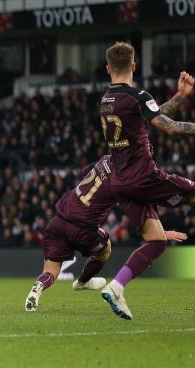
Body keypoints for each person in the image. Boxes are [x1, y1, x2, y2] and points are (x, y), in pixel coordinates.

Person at [99, 42, 195, 319]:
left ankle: (116, 287)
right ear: (134, 66)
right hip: (143, 176)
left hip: (121, 182)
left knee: (156, 240)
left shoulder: (107, 100)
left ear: (108, 69)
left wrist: (180, 96)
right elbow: (171, 127)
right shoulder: (137, 95)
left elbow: (151, 116)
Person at [25, 156, 186, 312]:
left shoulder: (105, 159)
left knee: (51, 271)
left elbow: (86, 171)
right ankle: (83, 281)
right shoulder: (124, 179)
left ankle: (37, 288)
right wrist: (160, 231)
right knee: (106, 248)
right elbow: (135, 214)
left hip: (58, 221)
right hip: (83, 227)